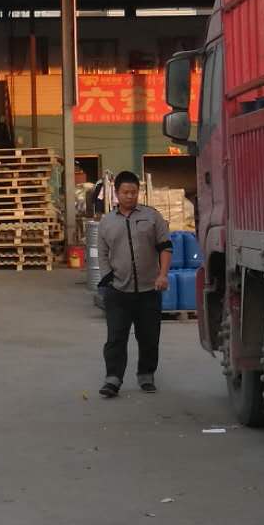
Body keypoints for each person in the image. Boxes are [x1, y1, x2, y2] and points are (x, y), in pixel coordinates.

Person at [95, 170, 171, 397]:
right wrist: (108, 279)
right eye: (125, 192)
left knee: (149, 337)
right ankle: (113, 378)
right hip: (118, 291)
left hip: (149, 290)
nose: (130, 196)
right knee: (115, 338)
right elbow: (102, 253)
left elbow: (165, 247)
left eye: (134, 192)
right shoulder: (107, 222)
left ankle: (146, 375)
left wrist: (163, 275)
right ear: (116, 194)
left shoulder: (152, 217)